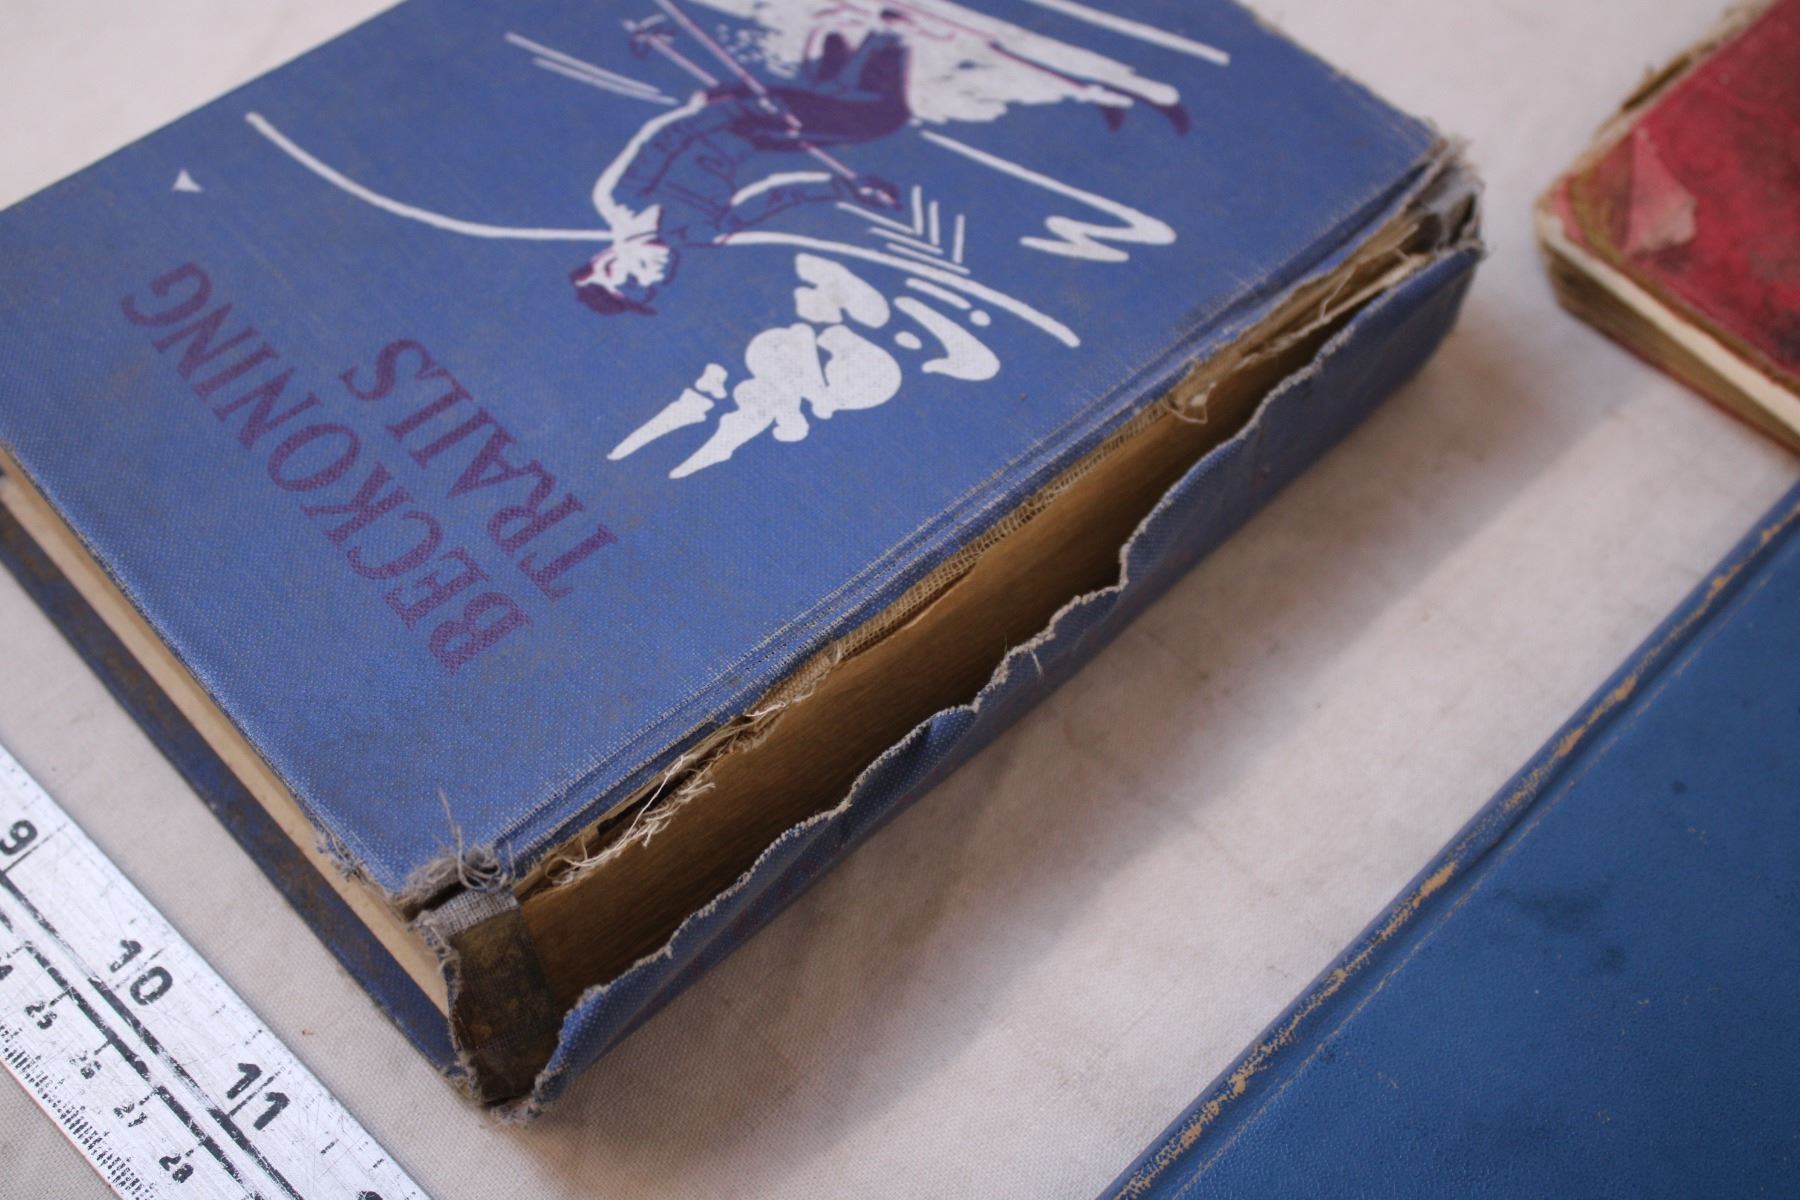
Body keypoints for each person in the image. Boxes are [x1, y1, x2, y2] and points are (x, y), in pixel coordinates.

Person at [574, 27, 911, 315]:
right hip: (755, 135)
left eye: (633, 279)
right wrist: (848, 189)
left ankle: (884, 39)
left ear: (606, 261)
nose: (655, 278)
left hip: (724, 111)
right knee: (844, 122)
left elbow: (667, 136)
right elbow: (776, 196)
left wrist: (739, 107)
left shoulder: (622, 197)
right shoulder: (703, 233)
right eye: (652, 289)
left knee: (874, 119)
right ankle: (835, 53)